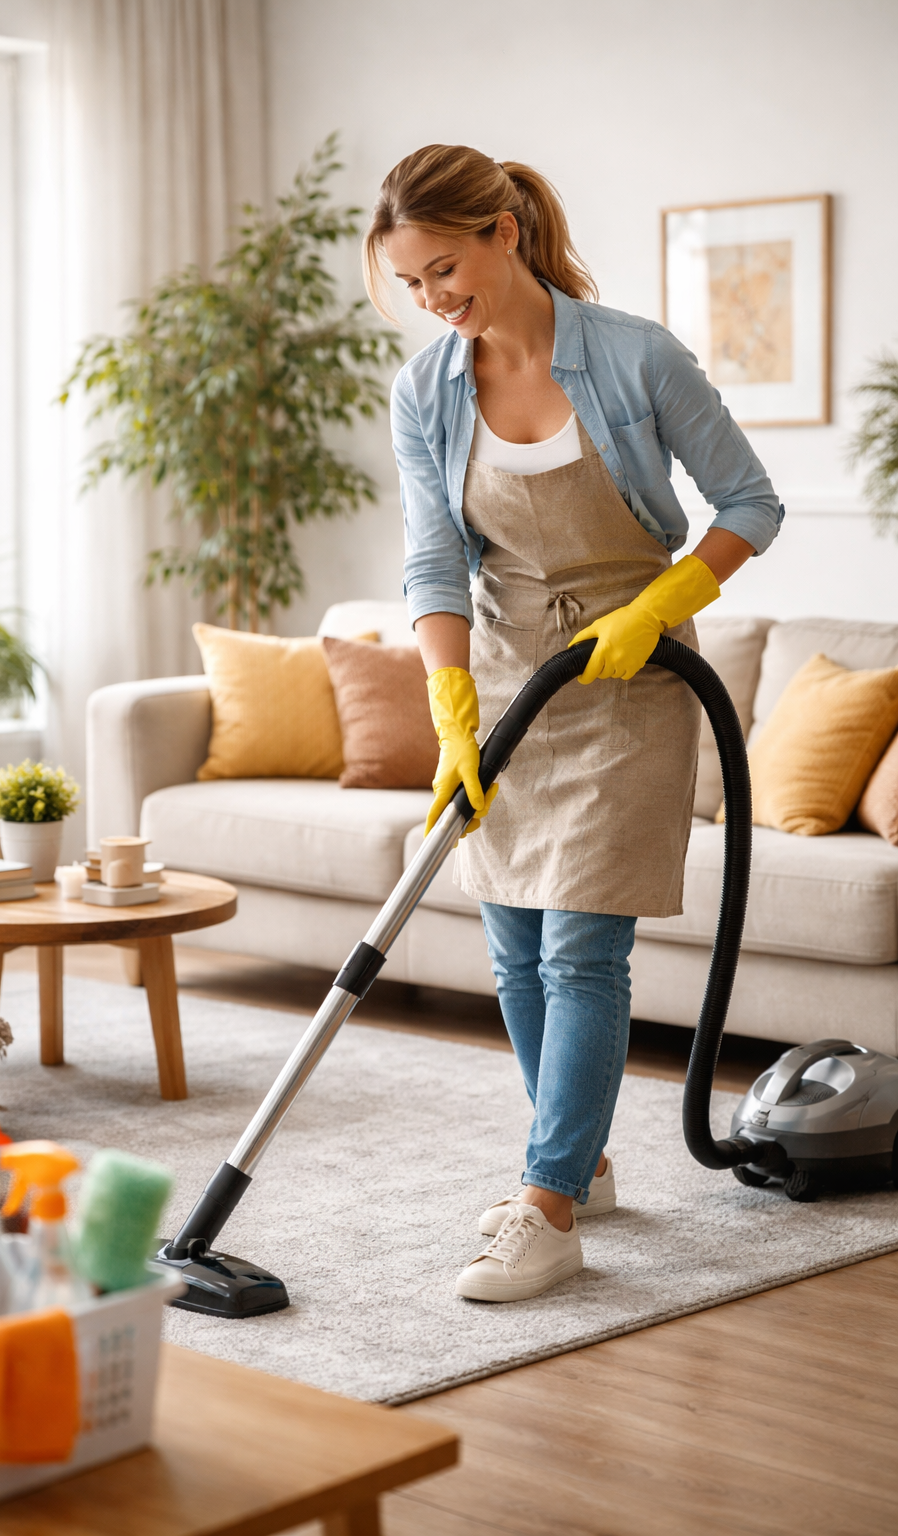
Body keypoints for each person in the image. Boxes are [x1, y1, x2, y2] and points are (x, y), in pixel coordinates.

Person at [362, 145, 782, 1303]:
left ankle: (545, 1206)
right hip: (505, 677)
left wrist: (662, 605)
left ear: (503, 230)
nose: (437, 301)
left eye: (446, 268)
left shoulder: (636, 356)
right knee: (510, 950)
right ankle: (580, 1162)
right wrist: (451, 710)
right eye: (412, 285)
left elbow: (751, 504)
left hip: (633, 679)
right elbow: (435, 560)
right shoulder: (426, 389)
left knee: (579, 946)